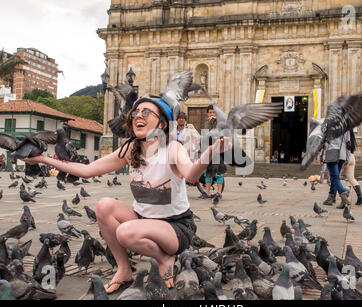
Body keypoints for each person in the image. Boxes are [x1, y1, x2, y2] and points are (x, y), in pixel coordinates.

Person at [22, 94, 230, 294]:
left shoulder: (173, 148)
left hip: (175, 227)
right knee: (103, 206)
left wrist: (209, 153)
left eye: (146, 112)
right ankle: (124, 269)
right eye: (136, 112)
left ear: (162, 124)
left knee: (125, 232)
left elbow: (192, 175)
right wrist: (43, 160)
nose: (138, 115)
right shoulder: (131, 149)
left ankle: (164, 259)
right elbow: (87, 170)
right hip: (143, 219)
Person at [201, 104, 225, 199]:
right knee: (208, 173)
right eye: (210, 112)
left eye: (214, 112)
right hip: (208, 151)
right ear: (207, 114)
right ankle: (207, 192)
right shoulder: (206, 124)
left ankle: (219, 193)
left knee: (219, 173)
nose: (212, 114)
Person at [322, 131, 351, 208]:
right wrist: (347, 158)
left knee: (334, 177)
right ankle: (331, 198)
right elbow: (348, 144)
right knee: (335, 177)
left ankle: (344, 197)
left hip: (332, 153)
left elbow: (325, 142)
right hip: (342, 155)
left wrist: (323, 157)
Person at [341, 130, 362, 206]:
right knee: (351, 178)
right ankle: (360, 197)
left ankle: (341, 198)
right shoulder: (351, 135)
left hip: (344, 157)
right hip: (352, 157)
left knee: (335, 178)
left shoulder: (343, 134)